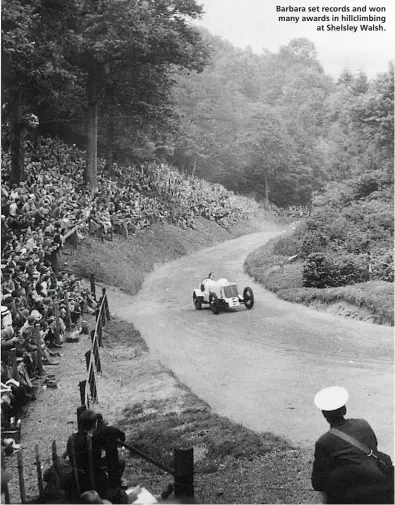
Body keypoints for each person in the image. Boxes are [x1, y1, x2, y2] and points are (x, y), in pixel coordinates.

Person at [311, 386, 393, 504]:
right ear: (344, 410)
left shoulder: (324, 442)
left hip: (350, 496)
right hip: (382, 486)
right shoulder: (363, 424)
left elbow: (317, 483)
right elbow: (374, 448)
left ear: (324, 415)